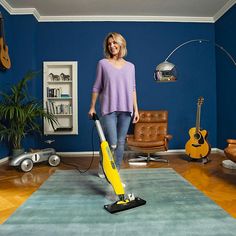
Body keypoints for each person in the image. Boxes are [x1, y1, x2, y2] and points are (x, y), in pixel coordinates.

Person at [88, 32, 139, 176]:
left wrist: (136, 110)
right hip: (108, 108)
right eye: (109, 44)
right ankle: (103, 167)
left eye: (114, 43)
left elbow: (133, 89)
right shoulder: (103, 63)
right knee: (112, 142)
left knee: (121, 142)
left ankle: (115, 171)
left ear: (121, 44)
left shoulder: (130, 66)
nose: (112, 46)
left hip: (126, 109)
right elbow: (97, 86)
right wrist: (92, 106)